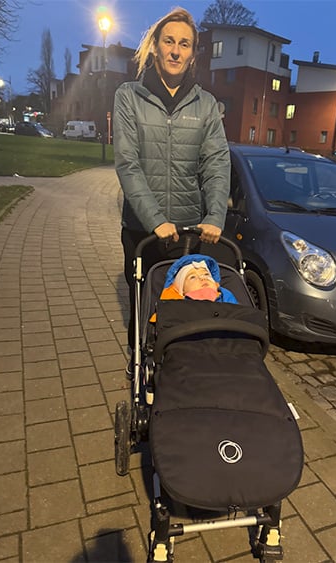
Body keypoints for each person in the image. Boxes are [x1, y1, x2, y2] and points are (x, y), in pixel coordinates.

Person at [113, 6, 230, 357]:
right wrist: (155, 220)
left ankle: (178, 375)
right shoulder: (128, 97)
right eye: (169, 42)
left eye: (184, 44)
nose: (176, 51)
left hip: (188, 231)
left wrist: (215, 217)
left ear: (193, 53)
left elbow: (216, 162)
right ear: (155, 47)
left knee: (184, 310)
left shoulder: (206, 104)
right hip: (141, 230)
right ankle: (140, 367)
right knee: (143, 305)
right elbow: (127, 164)